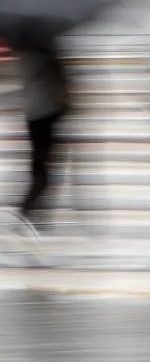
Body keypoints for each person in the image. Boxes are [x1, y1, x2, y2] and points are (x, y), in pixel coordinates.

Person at [12, 28, 71, 230]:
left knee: (40, 165)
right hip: (47, 112)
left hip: (34, 114)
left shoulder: (25, 52)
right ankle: (28, 210)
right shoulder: (44, 53)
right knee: (43, 168)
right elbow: (58, 80)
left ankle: (34, 212)